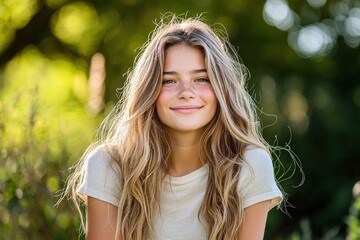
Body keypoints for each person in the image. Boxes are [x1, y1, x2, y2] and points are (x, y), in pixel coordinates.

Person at [64, 15, 284, 240]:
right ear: (149, 91)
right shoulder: (108, 166)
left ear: (222, 89)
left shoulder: (249, 165)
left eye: (201, 79)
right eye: (169, 81)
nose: (186, 92)